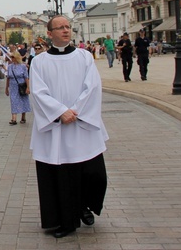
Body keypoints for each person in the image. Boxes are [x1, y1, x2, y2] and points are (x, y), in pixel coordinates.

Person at [29, 15, 109, 239]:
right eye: (60, 27)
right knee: (63, 175)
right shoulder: (39, 61)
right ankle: (65, 220)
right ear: (50, 33)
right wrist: (59, 112)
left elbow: (93, 87)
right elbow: (37, 92)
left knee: (95, 174)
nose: (65, 30)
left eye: (68, 27)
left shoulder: (84, 57)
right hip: (57, 128)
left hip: (82, 124)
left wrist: (76, 110)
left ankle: (86, 204)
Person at [5, 51, 30, 125]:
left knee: (23, 100)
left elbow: (26, 77)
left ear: (17, 57)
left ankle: (23, 116)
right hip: (13, 86)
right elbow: (8, 77)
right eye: (11, 57)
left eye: (13, 57)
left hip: (21, 84)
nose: (11, 58)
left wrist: (28, 87)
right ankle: (14, 118)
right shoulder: (10, 66)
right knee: (13, 101)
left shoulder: (23, 66)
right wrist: (6, 88)